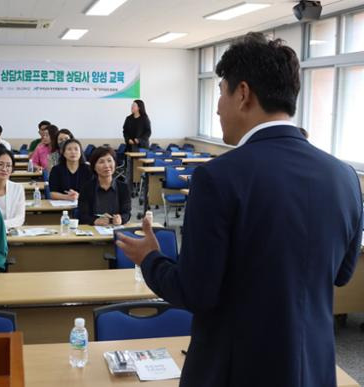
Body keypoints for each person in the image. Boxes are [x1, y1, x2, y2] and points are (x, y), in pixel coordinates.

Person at [115, 33, 362, 387]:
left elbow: (197, 292)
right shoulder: (344, 176)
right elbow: (341, 273)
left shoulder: (218, 178)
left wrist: (151, 259)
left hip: (236, 369)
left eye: (220, 92)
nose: (217, 107)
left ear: (242, 93)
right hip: (314, 367)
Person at [78, 146, 131, 225]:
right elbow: (82, 215)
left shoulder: (123, 187)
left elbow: (127, 213)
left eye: (109, 161)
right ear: (94, 167)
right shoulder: (87, 188)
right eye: (101, 162)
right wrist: (95, 221)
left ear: (115, 163)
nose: (106, 165)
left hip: (115, 229)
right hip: (93, 231)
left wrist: (121, 219)